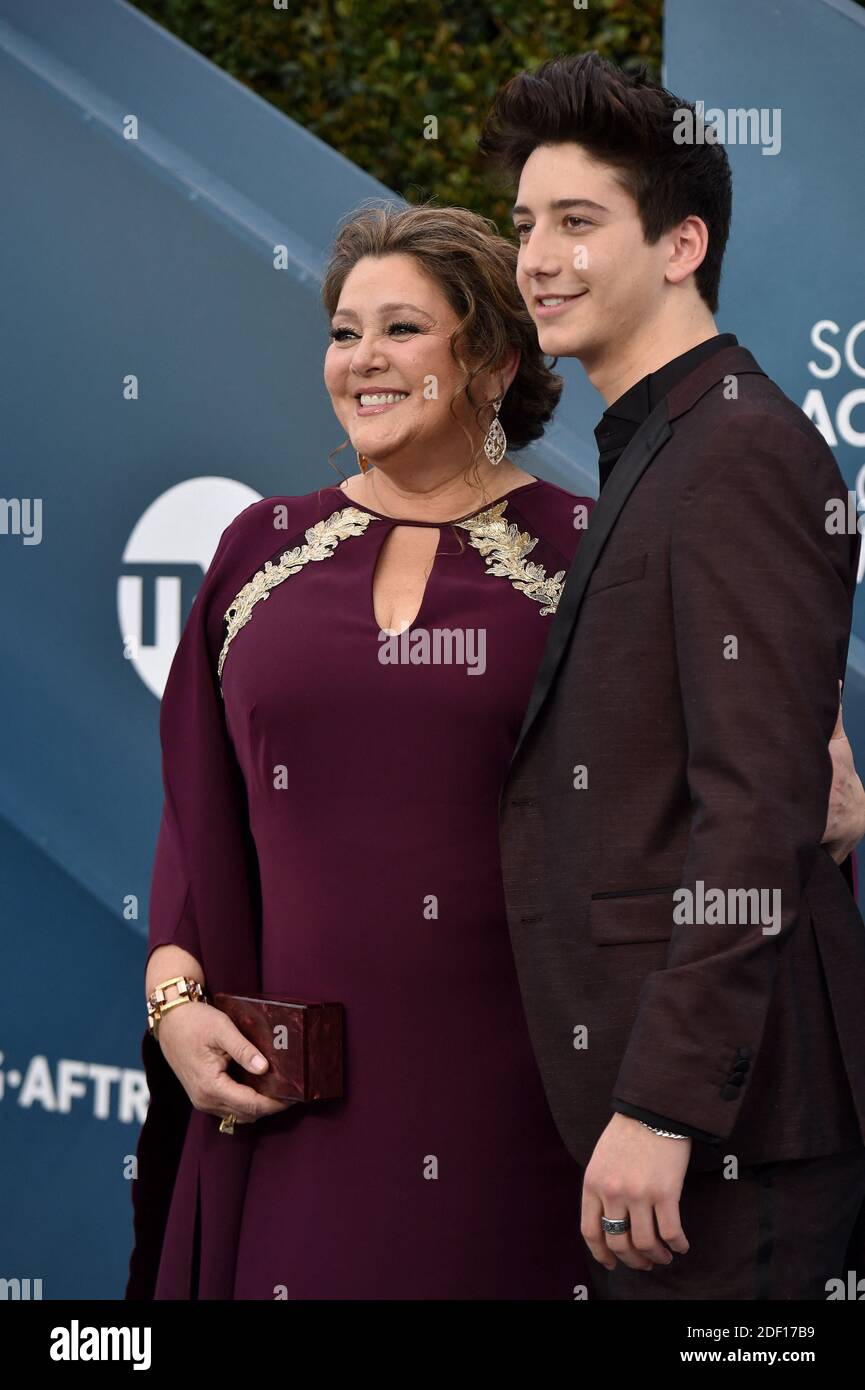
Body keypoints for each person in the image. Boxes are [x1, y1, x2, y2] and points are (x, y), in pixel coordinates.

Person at [124, 199, 862, 1302]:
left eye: (402, 330)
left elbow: (790, 797)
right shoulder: (256, 548)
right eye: (343, 331)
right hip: (292, 1124)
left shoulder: (604, 548)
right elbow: (198, 813)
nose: (362, 358)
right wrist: (175, 1002)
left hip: (544, 1114)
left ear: (493, 359)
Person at [479, 50, 865, 1299]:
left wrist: (663, 1104)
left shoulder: (741, 448)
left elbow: (753, 808)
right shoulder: (661, 446)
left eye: (578, 222)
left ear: (681, 242)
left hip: (732, 1134)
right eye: (526, 223)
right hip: (681, 1123)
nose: (536, 255)